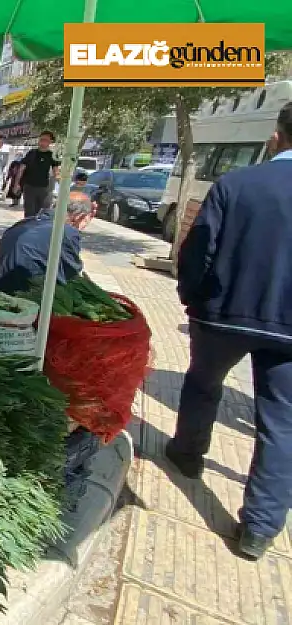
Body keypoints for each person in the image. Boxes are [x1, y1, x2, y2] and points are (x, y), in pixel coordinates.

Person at [167, 101, 292, 561]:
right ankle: (258, 530)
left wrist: (191, 295)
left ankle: (187, 453)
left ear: (276, 136)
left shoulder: (236, 184)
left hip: (223, 314)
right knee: (281, 425)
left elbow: (199, 248)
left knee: (202, 384)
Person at [0, 187, 94, 295]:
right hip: (13, 299)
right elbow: (71, 275)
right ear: (79, 217)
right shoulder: (65, 232)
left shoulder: (26, 222)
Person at [12, 131, 62, 218]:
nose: (42, 142)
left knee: (42, 214)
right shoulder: (32, 153)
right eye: (41, 139)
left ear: (50, 142)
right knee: (29, 214)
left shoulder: (52, 155)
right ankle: (28, 230)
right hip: (29, 187)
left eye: (46, 140)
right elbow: (21, 169)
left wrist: (62, 188)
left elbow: (56, 172)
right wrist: (16, 184)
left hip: (44, 189)